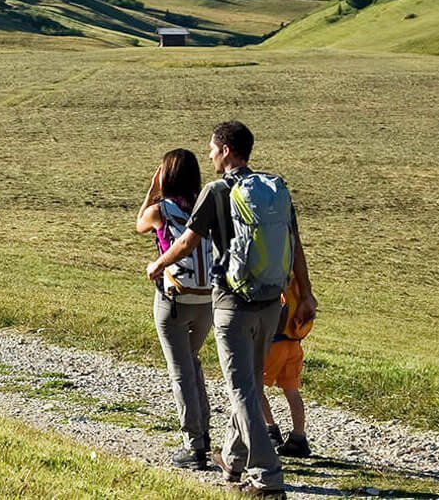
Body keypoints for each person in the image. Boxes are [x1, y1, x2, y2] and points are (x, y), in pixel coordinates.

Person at [147, 121, 316, 497]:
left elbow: (188, 242)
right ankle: (234, 459)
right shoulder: (273, 191)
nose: (208, 154)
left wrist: (158, 266)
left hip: (232, 304)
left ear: (226, 151)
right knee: (252, 383)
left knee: (241, 390)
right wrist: (306, 293)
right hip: (272, 302)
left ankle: (267, 479)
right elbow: (295, 243)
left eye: (212, 148)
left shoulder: (216, 191)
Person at [135, 148, 219, 470]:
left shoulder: (160, 210)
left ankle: (194, 444)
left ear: (165, 175)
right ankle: (205, 436)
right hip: (206, 299)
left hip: (174, 298)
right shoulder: (206, 206)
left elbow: (139, 224)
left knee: (180, 370)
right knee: (191, 361)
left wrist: (152, 188)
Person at [261, 271, 313, 458]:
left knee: (254, 386)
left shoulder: (280, 276)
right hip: (294, 343)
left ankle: (270, 430)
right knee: (292, 391)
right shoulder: (302, 285)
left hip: (275, 342)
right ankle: (299, 438)